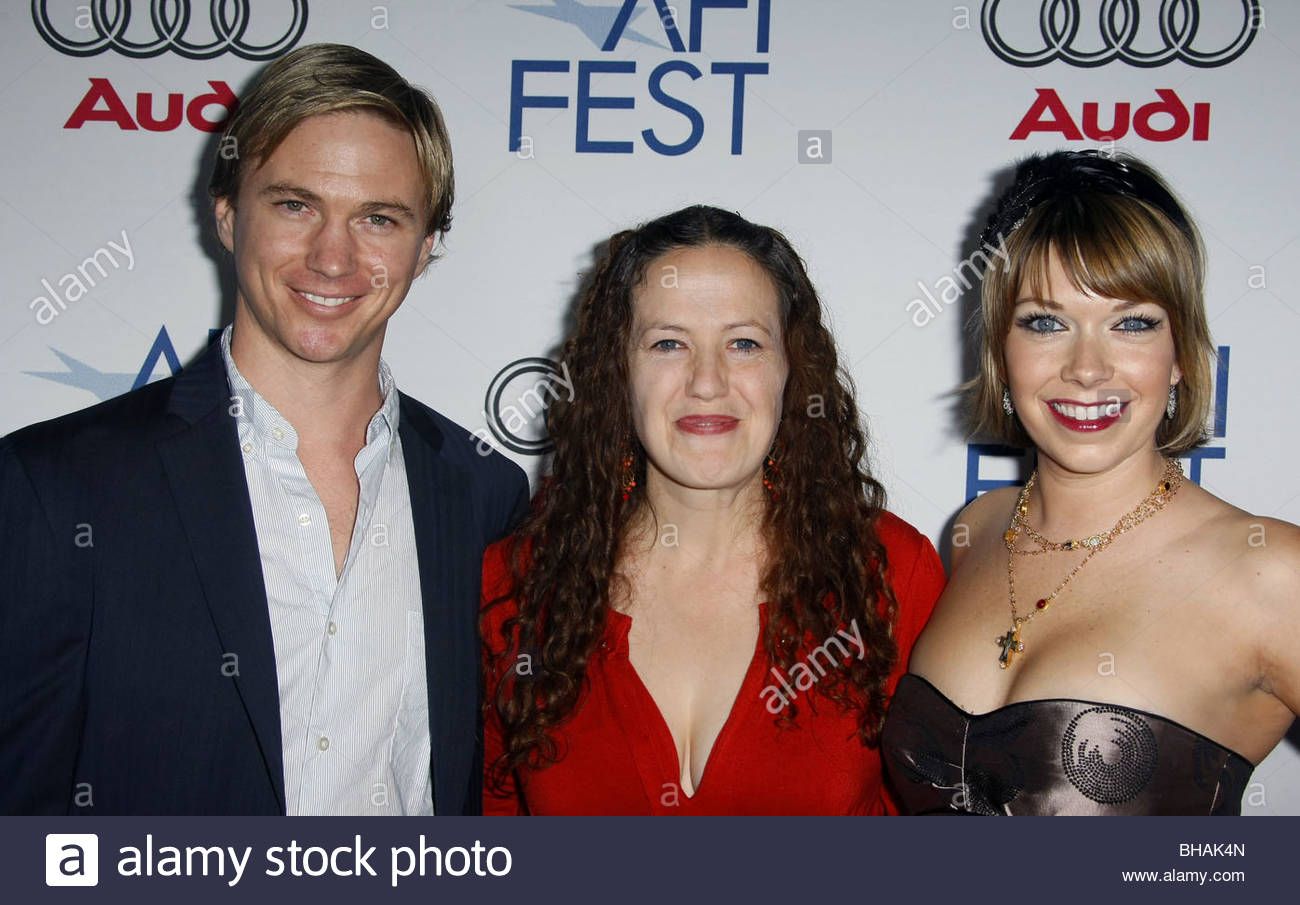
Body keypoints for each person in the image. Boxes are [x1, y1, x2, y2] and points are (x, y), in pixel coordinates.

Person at [0, 44, 527, 815]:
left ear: (424, 249)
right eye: (294, 205)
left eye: (378, 218)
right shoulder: (59, 484)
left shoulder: (484, 493)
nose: (333, 257)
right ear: (226, 214)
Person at [481, 205, 945, 815]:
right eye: (668, 343)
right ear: (618, 371)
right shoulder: (516, 584)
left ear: (790, 369)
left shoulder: (891, 573)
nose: (707, 381)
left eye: (744, 343)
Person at [882, 150, 1300, 815]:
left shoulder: (1270, 571)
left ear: (1181, 355)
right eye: (1045, 322)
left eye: (1132, 323)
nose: (1086, 367)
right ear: (1001, 351)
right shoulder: (978, 528)